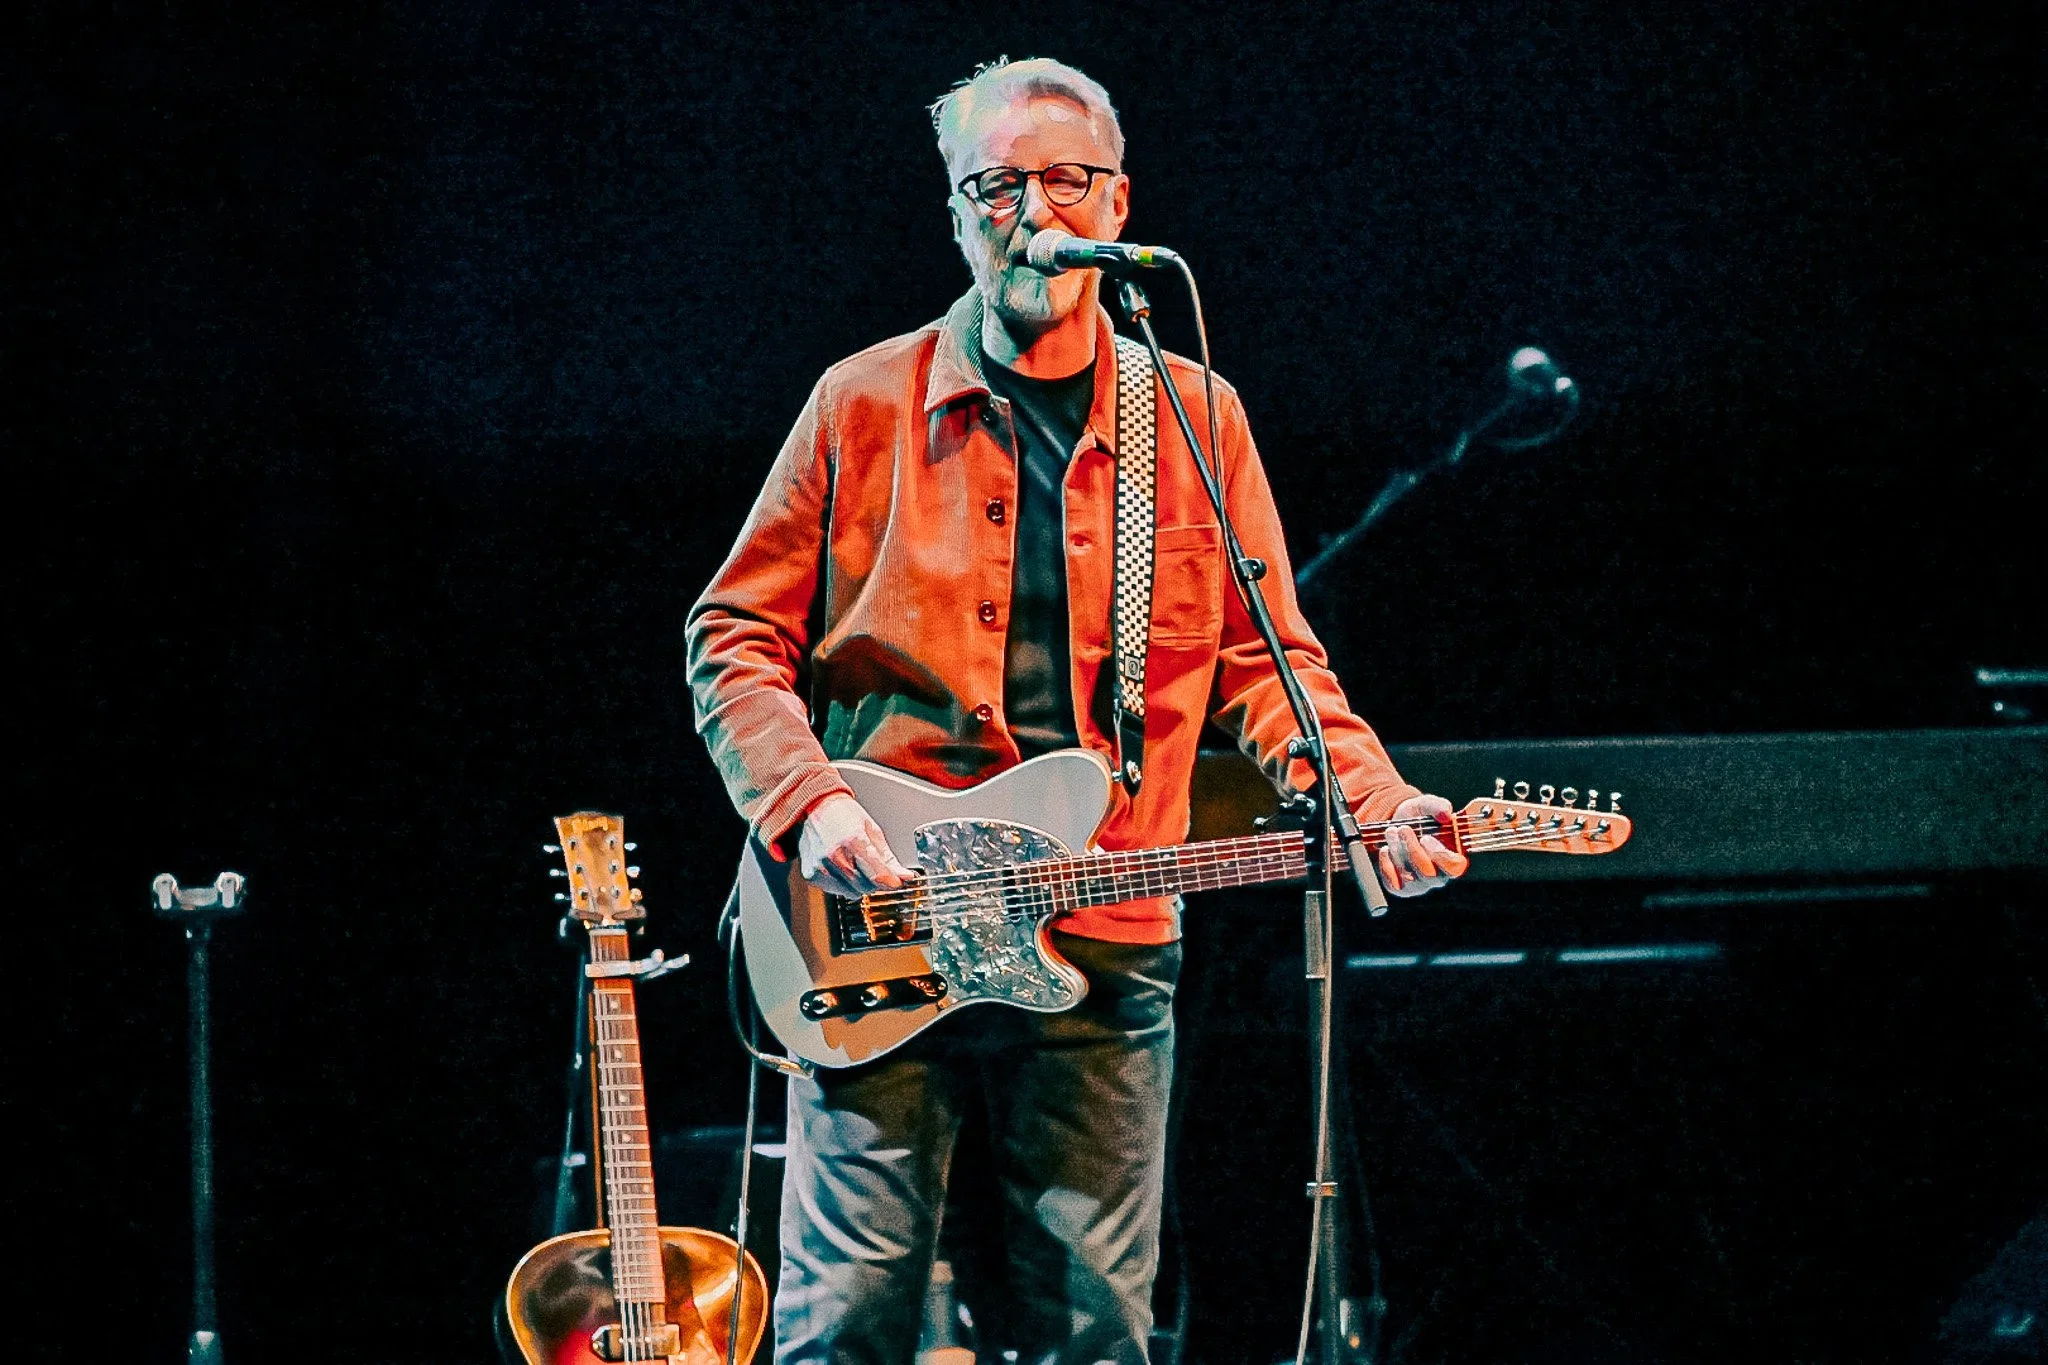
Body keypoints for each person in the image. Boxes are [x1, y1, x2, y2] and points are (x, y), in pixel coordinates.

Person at [686, 56, 1467, 1365]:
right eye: (996, 187)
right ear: (955, 213)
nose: (1033, 212)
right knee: (847, 1321)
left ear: (1117, 205)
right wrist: (809, 802)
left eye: (1065, 180)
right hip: (881, 923)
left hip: (1103, 927)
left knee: (1100, 1328)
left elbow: (1268, 662)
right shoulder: (861, 404)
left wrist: (1377, 804)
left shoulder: (1193, 416)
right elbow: (730, 635)